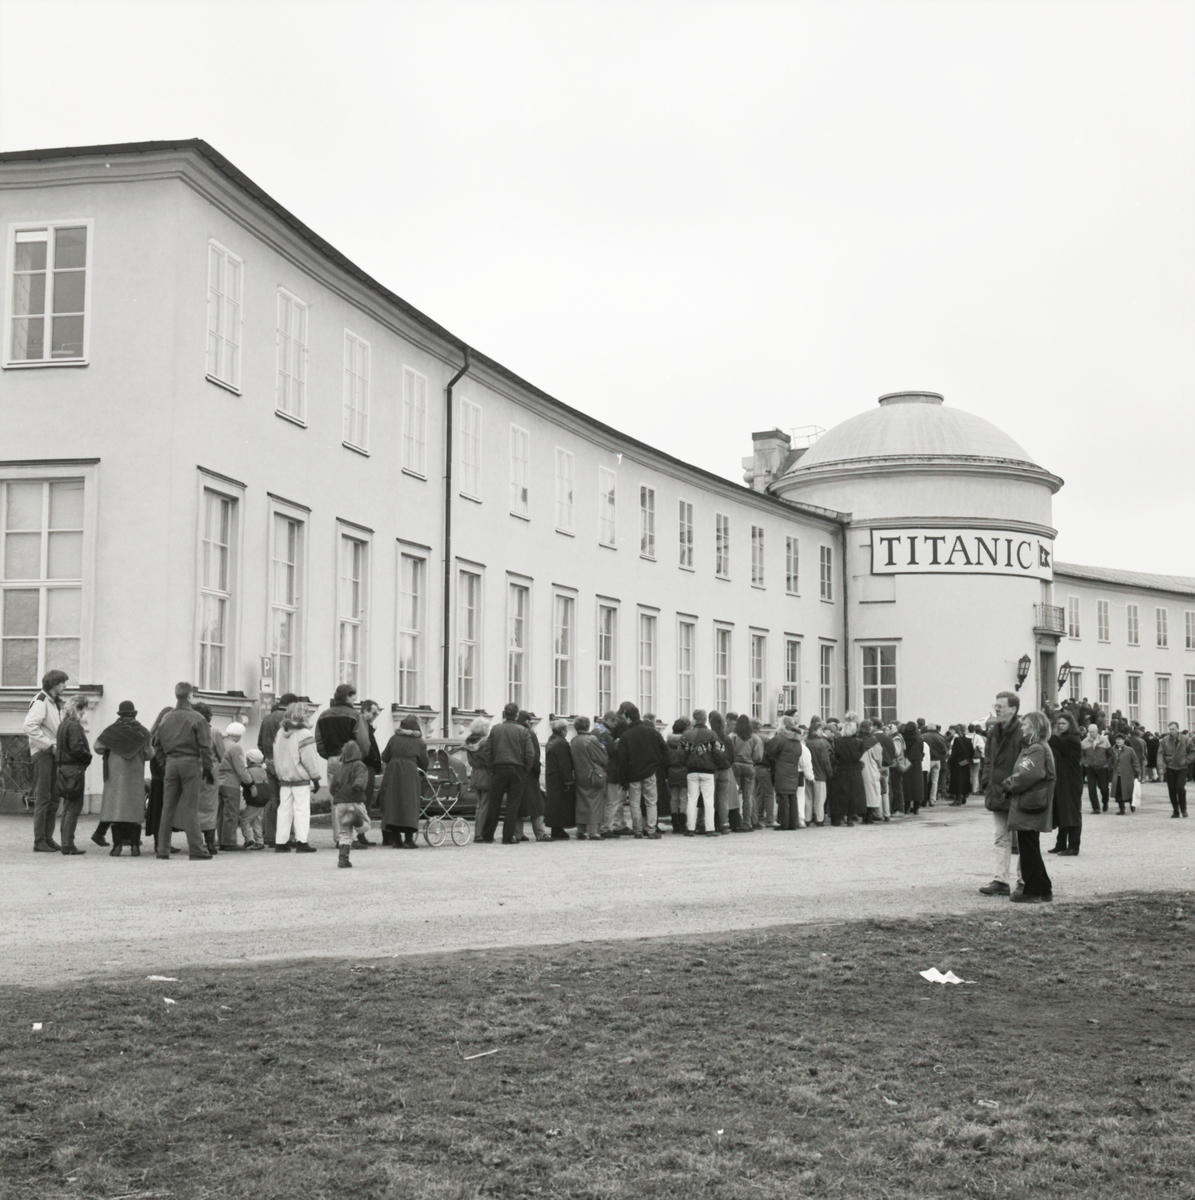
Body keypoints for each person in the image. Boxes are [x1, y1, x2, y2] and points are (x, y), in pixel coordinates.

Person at [151, 682, 214, 860]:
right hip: (190, 763)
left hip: (171, 763)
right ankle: (196, 849)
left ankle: (162, 849)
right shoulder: (197, 718)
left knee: (167, 808)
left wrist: (165, 762)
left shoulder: (166, 718)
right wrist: (207, 768)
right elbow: (205, 747)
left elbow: (156, 744)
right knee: (190, 808)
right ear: (190, 695)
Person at [1001, 710, 1055, 903]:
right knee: (1030, 846)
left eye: (1025, 725)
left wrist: (1007, 784)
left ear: (1034, 726)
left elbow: (1026, 775)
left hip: (1030, 804)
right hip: (1032, 803)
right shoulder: (1038, 747)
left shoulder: (1036, 749)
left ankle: (1033, 892)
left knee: (1028, 848)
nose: (1022, 727)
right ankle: (1043, 888)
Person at [978, 692, 1024, 896]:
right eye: (996, 704)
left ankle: (1023, 880)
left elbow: (1026, 761)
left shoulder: (1023, 732)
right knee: (1001, 836)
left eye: (1001, 705)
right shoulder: (994, 732)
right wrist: (987, 780)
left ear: (1013, 709)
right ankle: (1001, 880)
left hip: (1018, 790)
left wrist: (1016, 783)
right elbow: (988, 759)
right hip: (997, 790)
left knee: (1024, 838)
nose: (997, 708)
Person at [94, 699, 152, 856]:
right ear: (134, 714)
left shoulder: (111, 731)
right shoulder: (143, 733)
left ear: (119, 715)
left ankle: (116, 848)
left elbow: (98, 747)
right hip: (135, 777)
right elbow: (149, 754)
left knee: (116, 812)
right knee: (134, 813)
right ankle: (135, 848)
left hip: (115, 777)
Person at [315, 683, 371, 845]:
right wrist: (359, 757)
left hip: (332, 759)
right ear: (347, 696)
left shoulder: (324, 715)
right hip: (351, 760)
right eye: (353, 695)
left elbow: (319, 740)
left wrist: (328, 755)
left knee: (336, 799)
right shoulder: (355, 715)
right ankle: (351, 837)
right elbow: (363, 741)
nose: (355, 699)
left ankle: (339, 837)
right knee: (352, 799)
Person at [477, 702, 536, 845]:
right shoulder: (523, 731)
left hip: (498, 768)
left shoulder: (496, 730)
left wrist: (491, 768)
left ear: (504, 714)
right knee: (513, 804)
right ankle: (508, 837)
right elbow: (530, 753)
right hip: (517, 768)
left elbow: (487, 751)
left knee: (494, 803)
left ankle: (487, 835)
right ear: (516, 715)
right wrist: (525, 769)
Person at [25, 668, 68, 852]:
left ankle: (47, 837)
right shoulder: (41, 701)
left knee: (53, 797)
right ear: (53, 685)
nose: (64, 686)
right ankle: (39, 840)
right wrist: (49, 745)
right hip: (44, 754)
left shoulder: (52, 702)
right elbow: (30, 726)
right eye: (62, 683)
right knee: (44, 798)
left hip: (51, 753)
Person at [272, 701, 323, 852]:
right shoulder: (304, 734)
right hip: (300, 778)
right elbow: (309, 758)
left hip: (284, 777)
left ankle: (280, 842)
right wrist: (316, 777)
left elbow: (276, 755)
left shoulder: (280, 733)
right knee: (301, 809)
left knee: (284, 809)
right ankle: (302, 841)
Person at [615, 703, 666, 839]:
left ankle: (637, 829)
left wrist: (623, 778)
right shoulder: (652, 732)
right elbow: (664, 750)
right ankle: (651, 829)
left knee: (635, 803)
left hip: (633, 774)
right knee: (651, 802)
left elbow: (622, 759)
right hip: (650, 772)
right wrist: (656, 763)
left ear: (629, 719)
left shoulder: (626, 736)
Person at [379, 714, 430, 847]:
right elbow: (424, 762)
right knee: (410, 804)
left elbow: (385, 756)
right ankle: (409, 839)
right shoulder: (419, 742)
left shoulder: (393, 739)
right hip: (410, 772)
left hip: (393, 772)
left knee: (393, 804)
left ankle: (396, 838)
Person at [258, 692, 298, 847]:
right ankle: (287, 836)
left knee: (271, 799)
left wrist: (268, 756)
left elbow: (260, 742)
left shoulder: (267, 718)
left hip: (268, 761)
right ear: (291, 705)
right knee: (288, 799)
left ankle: (269, 836)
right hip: (284, 763)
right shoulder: (288, 718)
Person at [54, 694, 93, 855]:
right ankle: (68, 844)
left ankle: (65, 842)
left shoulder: (63, 725)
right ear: (78, 708)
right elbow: (77, 749)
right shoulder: (74, 726)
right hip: (74, 770)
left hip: (63, 769)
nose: (85, 713)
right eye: (83, 709)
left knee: (67, 806)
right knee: (74, 807)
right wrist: (88, 757)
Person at [1047, 712, 1084, 855]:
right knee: (1062, 809)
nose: (1060, 726)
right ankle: (1061, 843)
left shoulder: (1072, 739)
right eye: (1059, 723)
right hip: (1062, 779)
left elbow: (1054, 740)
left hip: (1072, 780)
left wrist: (1044, 727)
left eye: (1063, 724)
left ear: (1070, 725)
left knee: (1072, 812)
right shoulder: (1064, 738)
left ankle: (1074, 846)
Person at [330, 740, 371, 868]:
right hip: (354, 801)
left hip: (340, 803)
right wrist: (357, 786)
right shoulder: (359, 765)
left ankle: (343, 859)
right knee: (366, 825)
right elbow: (361, 777)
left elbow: (332, 787)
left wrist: (337, 795)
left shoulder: (340, 769)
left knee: (344, 833)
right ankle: (356, 820)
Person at [681, 709, 721, 837]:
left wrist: (686, 763)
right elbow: (719, 753)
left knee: (691, 799)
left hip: (692, 771)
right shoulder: (712, 734)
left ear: (694, 719)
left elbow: (680, 754)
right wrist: (715, 764)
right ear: (705, 720)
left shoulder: (686, 734)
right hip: (708, 771)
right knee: (708, 800)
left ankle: (690, 828)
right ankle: (710, 829)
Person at [192, 701, 223, 855]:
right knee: (210, 807)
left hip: (192, 772)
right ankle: (210, 843)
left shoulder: (189, 729)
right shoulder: (214, 732)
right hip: (210, 773)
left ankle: (196, 841)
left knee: (194, 806)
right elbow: (221, 754)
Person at [515, 711, 550, 843]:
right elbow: (534, 755)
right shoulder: (529, 734)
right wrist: (535, 771)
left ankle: (517, 833)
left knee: (517, 804)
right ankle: (540, 833)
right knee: (537, 804)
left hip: (515, 771)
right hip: (529, 773)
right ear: (528, 722)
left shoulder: (511, 731)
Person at [569, 716, 607, 839]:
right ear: (588, 725)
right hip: (593, 775)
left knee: (581, 801)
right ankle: (593, 831)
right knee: (595, 802)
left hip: (580, 774)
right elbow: (603, 758)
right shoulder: (591, 739)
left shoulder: (574, 741)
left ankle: (580, 829)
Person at [217, 721, 253, 850]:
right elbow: (240, 768)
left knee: (219, 814)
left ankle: (220, 840)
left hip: (217, 781)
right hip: (230, 782)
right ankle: (229, 842)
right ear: (239, 735)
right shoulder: (235, 747)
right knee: (231, 813)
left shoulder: (219, 743)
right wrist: (249, 783)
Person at [827, 715, 867, 826]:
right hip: (855, 770)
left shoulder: (837, 741)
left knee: (840, 794)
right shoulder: (859, 742)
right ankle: (850, 817)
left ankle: (838, 817)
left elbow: (836, 756)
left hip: (842, 769)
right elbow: (859, 755)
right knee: (853, 795)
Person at [765, 716, 803, 829]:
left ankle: (784, 823)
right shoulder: (797, 740)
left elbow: (769, 750)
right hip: (793, 770)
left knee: (783, 797)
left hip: (782, 770)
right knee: (793, 797)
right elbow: (799, 754)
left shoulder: (781, 737)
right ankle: (793, 823)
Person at [730, 714, 764, 830]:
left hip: (736, 766)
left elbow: (730, 752)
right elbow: (758, 756)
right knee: (748, 796)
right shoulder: (754, 738)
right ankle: (747, 822)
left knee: (733, 794)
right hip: (749, 766)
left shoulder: (733, 737)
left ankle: (733, 820)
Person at [544, 719, 575, 839]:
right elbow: (564, 764)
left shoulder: (551, 741)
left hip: (551, 776)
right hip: (559, 778)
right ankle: (558, 829)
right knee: (560, 804)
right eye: (566, 729)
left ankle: (555, 828)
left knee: (553, 803)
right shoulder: (561, 743)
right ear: (563, 730)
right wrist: (568, 780)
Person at [708, 710, 738, 833]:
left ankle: (711, 823)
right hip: (725, 770)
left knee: (710, 798)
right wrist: (726, 764)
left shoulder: (710, 736)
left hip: (713, 770)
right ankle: (724, 824)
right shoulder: (727, 738)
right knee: (723, 799)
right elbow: (732, 757)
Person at [464, 717, 492, 841]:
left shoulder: (468, 741)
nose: (488, 729)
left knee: (479, 805)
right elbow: (488, 759)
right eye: (487, 727)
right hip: (486, 774)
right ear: (482, 728)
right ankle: (480, 833)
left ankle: (478, 831)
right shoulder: (485, 742)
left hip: (475, 773)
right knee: (485, 805)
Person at [1159, 721, 1191, 818]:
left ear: (1177, 729)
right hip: (1170, 767)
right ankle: (1175, 810)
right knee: (1172, 790)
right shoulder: (1165, 740)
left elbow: (1192, 751)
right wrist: (1160, 767)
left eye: (1173, 729)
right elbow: (1160, 754)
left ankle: (1183, 809)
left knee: (1180, 787)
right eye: (1170, 729)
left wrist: (1187, 760)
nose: (1171, 731)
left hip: (1182, 767)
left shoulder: (1185, 739)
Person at [240, 747, 270, 849]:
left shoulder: (248, 771)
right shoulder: (264, 770)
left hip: (254, 799)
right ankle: (259, 841)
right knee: (257, 820)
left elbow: (245, 781)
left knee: (244, 819)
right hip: (264, 799)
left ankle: (249, 840)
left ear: (249, 760)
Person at [665, 717, 691, 833]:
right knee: (684, 799)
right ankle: (682, 824)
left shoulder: (668, 742)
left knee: (674, 799)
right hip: (684, 771)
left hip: (672, 771)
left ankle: (675, 824)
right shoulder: (686, 741)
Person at [1081, 724, 1112, 813]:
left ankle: (1105, 802)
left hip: (1102, 768)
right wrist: (1084, 762)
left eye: (1093, 732)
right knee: (1091, 789)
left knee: (1104, 788)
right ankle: (1096, 808)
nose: (1091, 734)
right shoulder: (1084, 742)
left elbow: (1111, 755)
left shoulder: (1104, 741)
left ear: (1097, 731)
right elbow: (1081, 755)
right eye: (1090, 732)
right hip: (1090, 768)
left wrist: (1108, 765)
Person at [1109, 732, 1141, 815]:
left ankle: (1132, 804)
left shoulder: (1129, 750)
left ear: (1123, 740)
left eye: (1120, 739)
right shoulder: (1113, 750)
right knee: (1118, 792)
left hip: (1127, 775)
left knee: (1128, 791)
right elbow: (1110, 761)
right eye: (1117, 740)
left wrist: (1136, 771)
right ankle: (1121, 808)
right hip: (1117, 775)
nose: (1118, 741)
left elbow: (1134, 761)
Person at [859, 719, 884, 823]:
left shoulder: (857, 740)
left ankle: (862, 814)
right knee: (872, 791)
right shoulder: (874, 742)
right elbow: (878, 757)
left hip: (859, 768)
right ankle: (869, 815)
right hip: (871, 768)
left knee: (862, 792)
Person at [900, 722, 926, 816]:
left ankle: (906, 806)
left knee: (906, 784)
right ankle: (916, 807)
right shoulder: (919, 738)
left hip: (906, 762)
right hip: (916, 762)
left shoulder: (902, 737)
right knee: (917, 784)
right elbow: (921, 749)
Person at [946, 725, 974, 804]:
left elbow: (955, 753)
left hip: (957, 764)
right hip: (965, 762)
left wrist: (950, 761)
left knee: (957, 781)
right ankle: (964, 795)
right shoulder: (968, 740)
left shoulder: (956, 740)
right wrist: (967, 760)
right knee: (965, 780)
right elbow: (972, 752)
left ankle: (958, 798)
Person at [923, 723, 947, 806]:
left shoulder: (923, 736)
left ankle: (924, 798)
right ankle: (932, 799)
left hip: (927, 760)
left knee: (925, 780)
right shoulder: (940, 737)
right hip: (937, 760)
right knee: (935, 780)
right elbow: (945, 751)